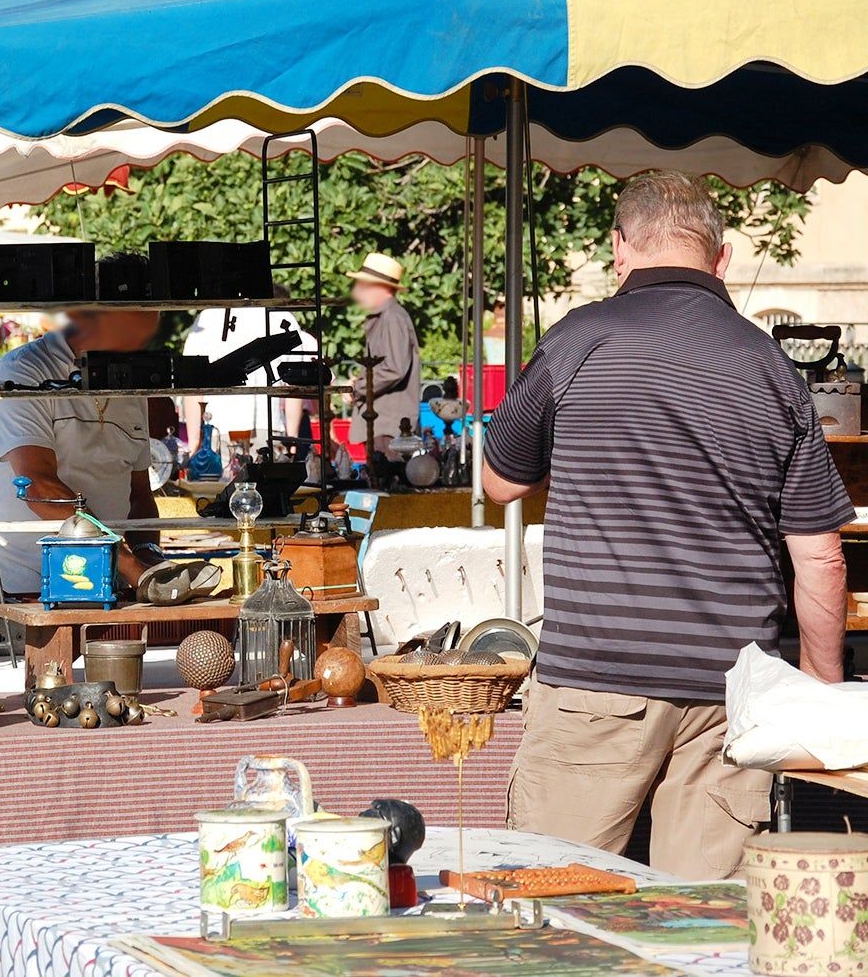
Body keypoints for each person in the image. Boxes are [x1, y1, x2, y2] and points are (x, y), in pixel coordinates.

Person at [484, 171, 852, 879]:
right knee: (704, 926)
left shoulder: (579, 340)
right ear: (722, 258)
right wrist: (819, 696)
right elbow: (822, 559)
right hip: (732, 695)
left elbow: (501, 482)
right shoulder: (771, 367)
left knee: (549, 906)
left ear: (621, 249)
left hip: (597, 682)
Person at [0, 259, 161, 597]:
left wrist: (150, 559)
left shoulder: (130, 383)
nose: (138, 347)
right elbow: (38, 487)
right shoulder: (23, 371)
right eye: (130, 335)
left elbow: (139, 494)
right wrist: (129, 564)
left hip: (107, 580)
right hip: (21, 581)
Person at [181, 299, 314, 457]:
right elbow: (293, 385)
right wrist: (292, 442)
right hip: (267, 429)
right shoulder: (281, 316)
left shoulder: (208, 318)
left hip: (224, 428)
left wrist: (194, 442)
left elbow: (192, 382)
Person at [347, 252, 420, 453]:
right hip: (382, 422)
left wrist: (358, 388)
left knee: (384, 477)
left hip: (387, 424)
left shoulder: (392, 317)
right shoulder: (386, 316)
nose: (359, 290)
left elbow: (394, 369)